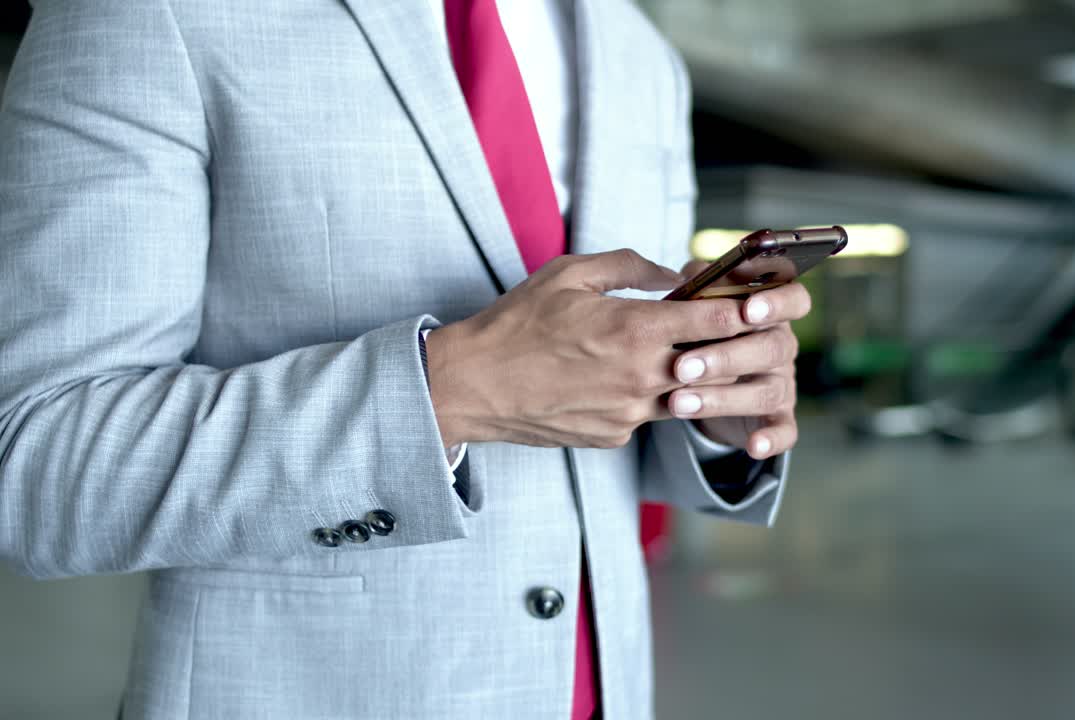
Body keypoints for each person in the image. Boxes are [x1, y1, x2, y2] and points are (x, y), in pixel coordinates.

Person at [0, 1, 807, 717]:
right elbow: (37, 462)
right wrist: (451, 391)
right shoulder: (149, 12)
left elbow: (604, 386)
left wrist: (705, 399)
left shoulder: (637, 50)